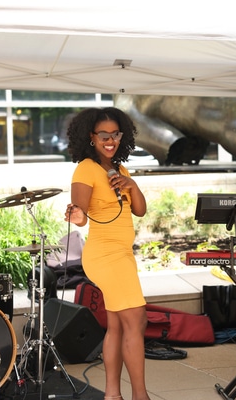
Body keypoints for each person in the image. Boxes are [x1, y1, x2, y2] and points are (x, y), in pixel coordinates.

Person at [64, 107, 149, 400]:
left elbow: (139, 210)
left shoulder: (120, 169)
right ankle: (141, 396)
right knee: (136, 320)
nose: (110, 140)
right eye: (104, 135)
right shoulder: (85, 169)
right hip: (105, 255)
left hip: (122, 255)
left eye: (115, 134)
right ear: (91, 137)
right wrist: (75, 215)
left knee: (117, 324)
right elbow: (81, 214)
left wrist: (132, 184)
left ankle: (112, 395)